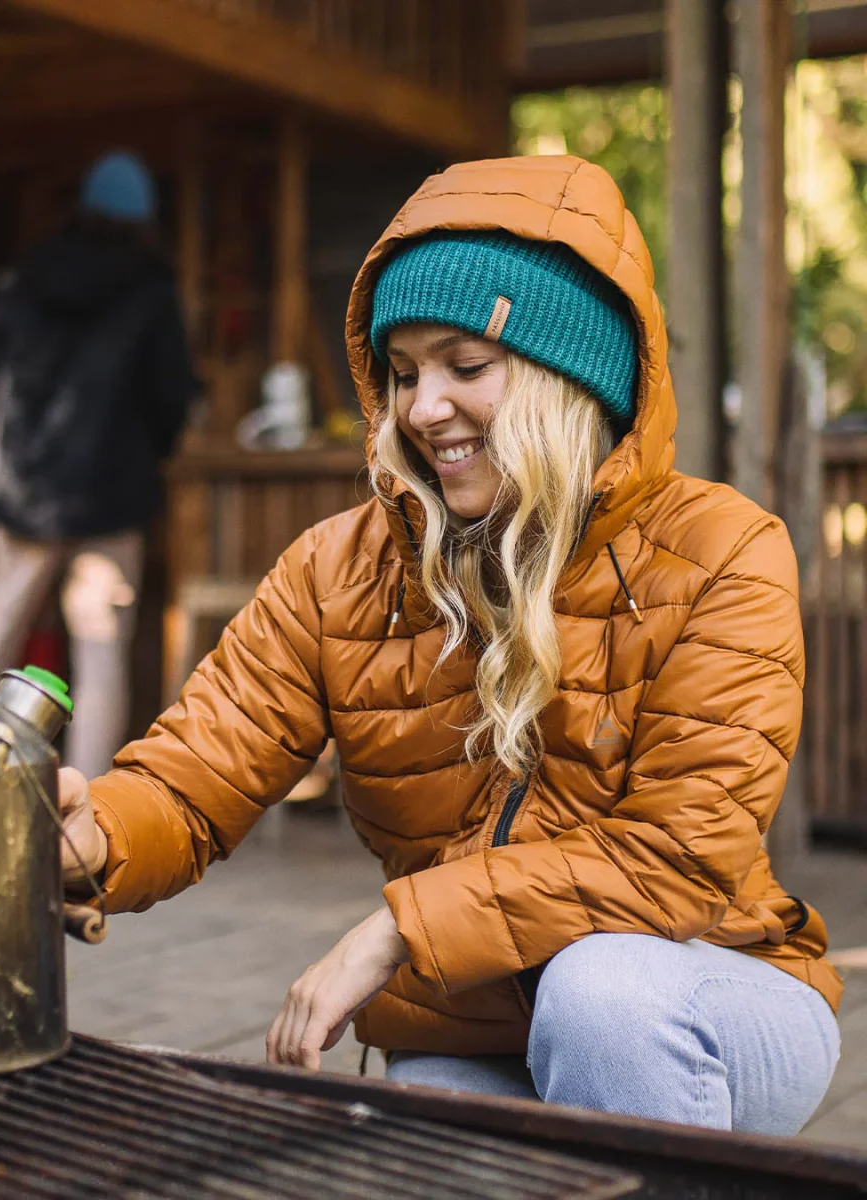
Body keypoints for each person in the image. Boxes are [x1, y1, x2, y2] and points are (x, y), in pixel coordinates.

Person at [58, 155, 841, 1134]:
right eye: (402, 373)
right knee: (426, 1143)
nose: (422, 408)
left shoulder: (726, 551)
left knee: (601, 998)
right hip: (465, 1024)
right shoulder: (336, 571)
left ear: (570, 372)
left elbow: (677, 858)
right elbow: (191, 778)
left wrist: (399, 928)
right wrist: (86, 837)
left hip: (705, 988)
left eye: (466, 366)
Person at [0, 150, 196, 778]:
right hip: (111, 495)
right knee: (99, 657)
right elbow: (170, 393)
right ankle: (85, 805)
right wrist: (152, 450)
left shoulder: (25, 275)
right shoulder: (151, 285)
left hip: (23, 490)